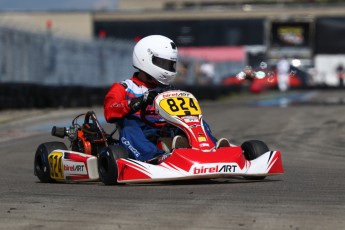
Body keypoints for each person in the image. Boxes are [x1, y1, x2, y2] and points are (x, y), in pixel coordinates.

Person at [104, 35, 219, 163]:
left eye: (170, 65)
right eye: (163, 64)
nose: (168, 69)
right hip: (141, 132)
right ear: (145, 59)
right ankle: (154, 157)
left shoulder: (170, 89)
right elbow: (110, 110)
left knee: (197, 122)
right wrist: (136, 103)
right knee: (129, 128)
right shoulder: (125, 87)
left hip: (166, 129)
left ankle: (211, 149)